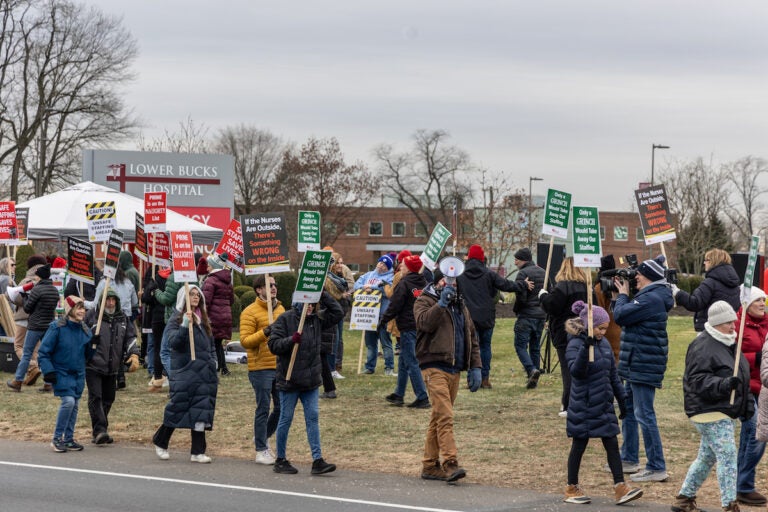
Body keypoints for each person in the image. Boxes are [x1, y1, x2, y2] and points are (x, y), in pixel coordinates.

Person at [673, 301, 752, 512]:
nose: (733, 326)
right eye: (728, 323)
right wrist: (724, 385)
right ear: (716, 323)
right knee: (727, 454)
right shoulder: (702, 345)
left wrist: (747, 404)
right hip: (706, 409)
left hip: (723, 408)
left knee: (706, 457)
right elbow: (697, 381)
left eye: (733, 321)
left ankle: (684, 498)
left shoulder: (729, 342)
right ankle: (729, 504)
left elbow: (741, 375)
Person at [562, 301, 642, 506]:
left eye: (605, 328)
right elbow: (576, 372)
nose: (603, 332)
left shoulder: (604, 344)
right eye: (600, 328)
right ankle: (572, 487)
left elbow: (613, 376)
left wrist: (622, 401)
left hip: (604, 404)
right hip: (584, 403)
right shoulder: (575, 343)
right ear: (589, 325)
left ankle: (620, 486)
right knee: (579, 445)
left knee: (612, 444)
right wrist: (585, 347)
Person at [414, 265, 482, 483]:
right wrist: (441, 304)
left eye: (454, 281)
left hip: (454, 368)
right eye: (446, 280)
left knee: (437, 417)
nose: (451, 284)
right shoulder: (424, 300)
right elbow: (424, 323)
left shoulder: (460, 305)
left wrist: (476, 366)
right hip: (434, 365)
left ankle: (429, 465)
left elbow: (471, 336)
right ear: (436, 282)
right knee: (445, 416)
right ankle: (450, 463)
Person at [268, 291, 344, 475]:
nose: (310, 306)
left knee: (313, 418)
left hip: (310, 382)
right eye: (306, 303)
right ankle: (281, 459)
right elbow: (273, 345)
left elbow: (338, 312)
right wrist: (290, 340)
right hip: (290, 380)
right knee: (285, 418)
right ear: (298, 303)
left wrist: (320, 292)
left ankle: (317, 460)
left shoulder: (316, 320)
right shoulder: (285, 319)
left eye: (312, 303)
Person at [613, 255, 674, 482]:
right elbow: (626, 316)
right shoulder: (649, 296)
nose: (634, 277)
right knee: (629, 410)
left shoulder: (652, 298)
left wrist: (622, 296)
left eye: (638, 274)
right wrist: (618, 297)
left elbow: (621, 315)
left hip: (644, 362)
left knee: (644, 414)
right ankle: (629, 459)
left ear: (648, 276)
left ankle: (656, 466)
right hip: (635, 361)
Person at [152, 285, 218, 463]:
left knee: (200, 411)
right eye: (192, 294)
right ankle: (160, 440)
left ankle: (198, 451)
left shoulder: (203, 319)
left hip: (204, 373)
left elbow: (210, 345)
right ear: (184, 298)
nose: (196, 297)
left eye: (198, 294)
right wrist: (184, 325)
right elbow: (173, 342)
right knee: (177, 409)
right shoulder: (176, 319)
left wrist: (214, 361)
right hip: (185, 372)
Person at [456, 244, 517, 389]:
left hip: (469, 317)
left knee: (471, 348)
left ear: (469, 257)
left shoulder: (461, 275)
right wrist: (523, 284)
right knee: (485, 347)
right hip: (487, 317)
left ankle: (471, 380)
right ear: (482, 258)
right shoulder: (489, 274)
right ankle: (485, 379)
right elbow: (506, 285)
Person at [37, 296, 92, 452]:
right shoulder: (57, 327)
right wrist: (48, 371)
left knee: (74, 405)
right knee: (68, 402)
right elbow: (43, 352)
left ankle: (68, 439)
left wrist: (93, 344)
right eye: (78, 307)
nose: (82, 311)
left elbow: (88, 356)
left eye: (83, 308)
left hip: (79, 373)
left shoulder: (85, 329)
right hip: (61, 372)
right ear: (70, 310)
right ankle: (56, 438)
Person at [85, 288, 139, 444]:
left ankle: (99, 430)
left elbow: (130, 338)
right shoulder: (92, 316)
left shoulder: (122, 318)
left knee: (109, 398)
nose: (110, 303)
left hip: (113, 366)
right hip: (93, 364)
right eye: (107, 299)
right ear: (102, 300)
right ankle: (100, 430)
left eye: (113, 300)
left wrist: (133, 354)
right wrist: (89, 341)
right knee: (96, 397)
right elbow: (80, 336)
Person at [240, 274, 285, 465]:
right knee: (263, 408)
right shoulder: (249, 312)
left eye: (275, 284)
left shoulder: (281, 309)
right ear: (259, 289)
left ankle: (263, 435)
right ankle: (261, 450)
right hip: (260, 368)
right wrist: (266, 331)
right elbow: (245, 341)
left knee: (282, 407)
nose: (274, 288)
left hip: (279, 365)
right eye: (269, 285)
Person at [539, 257, 589, 417]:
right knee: (581, 367)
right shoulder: (586, 287)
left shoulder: (562, 286)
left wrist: (543, 297)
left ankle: (568, 404)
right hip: (583, 330)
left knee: (567, 369)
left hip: (564, 331)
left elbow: (553, 307)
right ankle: (583, 402)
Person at [734, 286, 768, 506]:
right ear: (747, 304)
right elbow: (731, 356)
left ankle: (740, 482)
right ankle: (743, 485)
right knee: (753, 435)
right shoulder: (736, 324)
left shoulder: (767, 323)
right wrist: (756, 357)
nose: (763, 305)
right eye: (758, 301)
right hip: (744, 387)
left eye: (764, 301)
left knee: (759, 437)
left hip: (763, 388)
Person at [382, 254, 430, 408]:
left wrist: (383, 320)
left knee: (411, 362)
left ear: (409, 268)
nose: (400, 266)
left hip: (408, 328)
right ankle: (399, 394)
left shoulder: (404, 284)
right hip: (420, 326)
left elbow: (395, 305)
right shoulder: (423, 283)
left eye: (403, 264)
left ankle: (422, 397)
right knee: (403, 361)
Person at [7, 264, 60, 392]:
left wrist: (25, 298)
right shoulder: (54, 290)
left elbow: (27, 308)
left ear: (40, 276)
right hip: (48, 326)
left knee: (27, 353)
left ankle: (18, 381)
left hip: (35, 325)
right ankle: (48, 383)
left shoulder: (37, 289)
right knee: (46, 354)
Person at [673, 248, 740, 332]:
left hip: (709, 329)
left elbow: (695, 303)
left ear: (713, 261)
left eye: (706, 260)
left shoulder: (710, 283)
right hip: (729, 329)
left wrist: (677, 292)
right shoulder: (735, 284)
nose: (704, 263)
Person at [354, 255, 395, 375]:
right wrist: (363, 287)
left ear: (387, 268)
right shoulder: (369, 275)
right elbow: (356, 285)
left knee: (385, 342)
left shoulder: (390, 277)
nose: (380, 265)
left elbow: (387, 289)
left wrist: (371, 288)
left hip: (383, 314)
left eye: (383, 264)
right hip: (369, 315)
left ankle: (389, 367)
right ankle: (369, 367)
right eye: (379, 262)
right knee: (371, 343)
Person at [10, 254, 47, 388]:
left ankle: (32, 367)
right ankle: (33, 373)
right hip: (39, 320)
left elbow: (17, 299)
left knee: (19, 346)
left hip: (23, 318)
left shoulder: (26, 281)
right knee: (35, 349)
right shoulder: (45, 280)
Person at [510, 247, 545, 389]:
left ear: (523, 260)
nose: (515, 262)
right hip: (541, 315)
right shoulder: (543, 272)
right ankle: (534, 380)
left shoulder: (522, 274)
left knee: (520, 346)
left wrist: (516, 310)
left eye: (517, 259)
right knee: (535, 348)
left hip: (526, 315)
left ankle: (531, 370)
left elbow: (521, 298)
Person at [202, 252, 234, 376]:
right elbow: (231, 300)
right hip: (225, 316)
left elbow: (206, 301)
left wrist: (202, 316)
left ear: (214, 266)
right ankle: (223, 367)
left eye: (209, 265)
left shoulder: (211, 280)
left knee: (212, 343)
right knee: (218, 342)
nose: (207, 267)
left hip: (213, 316)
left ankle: (215, 367)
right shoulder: (228, 281)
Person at [143, 266, 170, 391]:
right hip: (170, 317)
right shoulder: (174, 278)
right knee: (170, 348)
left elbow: (146, 299)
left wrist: (150, 289)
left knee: (158, 347)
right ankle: (167, 374)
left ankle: (158, 376)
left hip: (157, 317)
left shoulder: (156, 278)